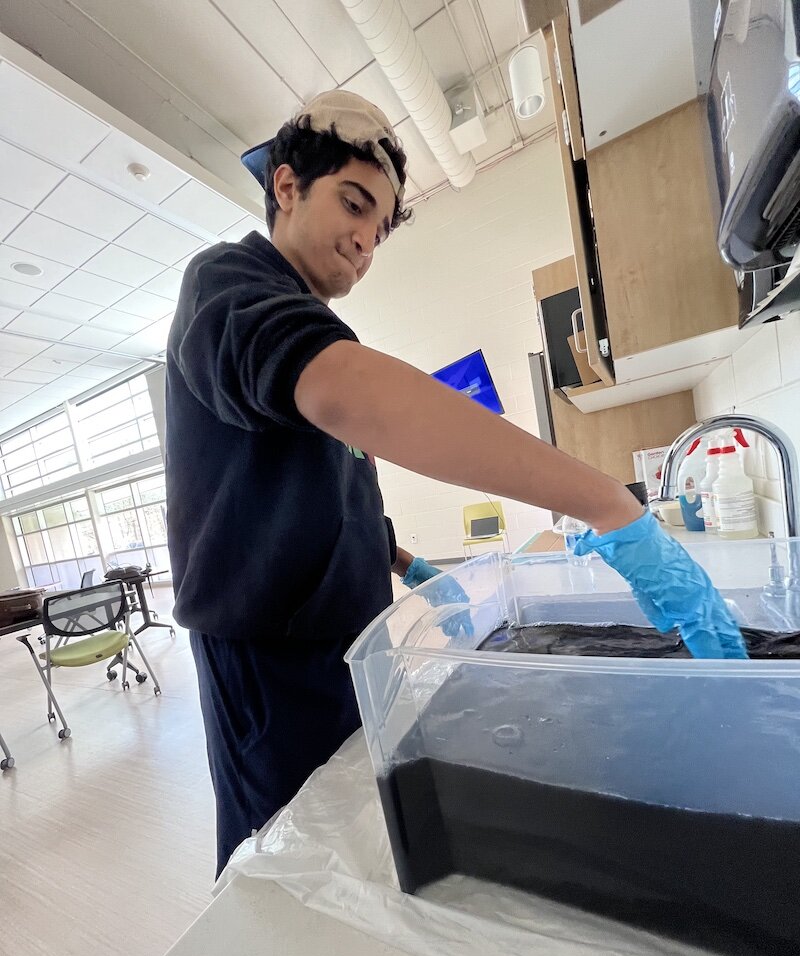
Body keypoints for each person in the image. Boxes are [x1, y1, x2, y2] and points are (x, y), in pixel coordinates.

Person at [165, 90, 746, 878]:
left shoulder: (312, 326)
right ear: (287, 186)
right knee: (278, 866)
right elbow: (349, 394)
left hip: (347, 644)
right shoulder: (226, 283)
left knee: (348, 840)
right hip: (268, 665)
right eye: (354, 204)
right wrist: (608, 502)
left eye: (379, 233)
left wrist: (410, 568)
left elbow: (328, 495)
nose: (365, 244)